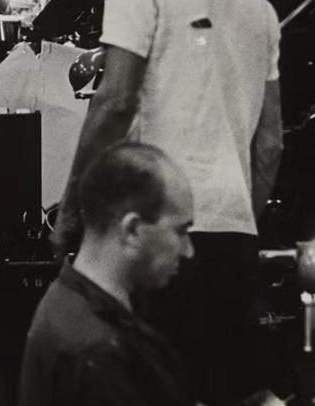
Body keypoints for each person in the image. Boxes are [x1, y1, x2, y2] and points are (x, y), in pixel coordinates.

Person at [53, 0, 283, 406]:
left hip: (153, 236)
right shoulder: (255, 1)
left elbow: (115, 101)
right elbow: (270, 145)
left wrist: (74, 207)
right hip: (235, 238)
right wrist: (233, 222)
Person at [21, 142, 195, 406]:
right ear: (132, 230)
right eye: (181, 232)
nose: (189, 251)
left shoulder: (70, 299)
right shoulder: (98, 352)